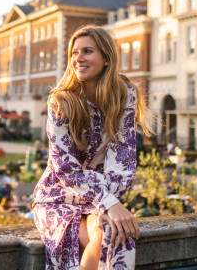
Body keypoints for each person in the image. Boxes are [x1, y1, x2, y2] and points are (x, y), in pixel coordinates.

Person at [32, 25, 149, 270]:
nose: (78, 58)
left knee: (112, 230)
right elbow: (65, 169)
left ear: (106, 59)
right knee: (111, 232)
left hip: (100, 193)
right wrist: (109, 203)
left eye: (87, 51)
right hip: (59, 194)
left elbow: (123, 161)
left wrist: (110, 202)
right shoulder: (61, 102)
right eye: (74, 53)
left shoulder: (124, 94)